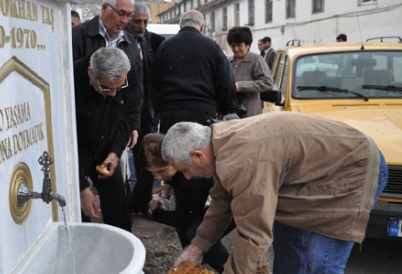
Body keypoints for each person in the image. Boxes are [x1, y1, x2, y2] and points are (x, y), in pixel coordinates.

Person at [163, 112, 388, 273]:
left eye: (185, 170)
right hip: (312, 177)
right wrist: (196, 247)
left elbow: (253, 233)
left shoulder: (245, 160)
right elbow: (222, 203)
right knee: (288, 243)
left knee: (321, 260)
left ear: (198, 155)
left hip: (354, 168)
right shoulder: (221, 144)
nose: (188, 177)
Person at [72, 0, 144, 231]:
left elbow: (134, 101)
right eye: (120, 13)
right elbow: (63, 119)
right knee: (77, 212)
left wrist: (116, 150)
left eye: (129, 15)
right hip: (79, 138)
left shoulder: (131, 44)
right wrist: (82, 186)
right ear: (104, 9)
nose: (125, 20)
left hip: (110, 136)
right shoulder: (76, 39)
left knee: (118, 207)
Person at [141, 133, 235, 273]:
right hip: (213, 198)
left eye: (161, 171)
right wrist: (171, 183)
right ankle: (194, 261)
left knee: (199, 233)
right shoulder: (181, 169)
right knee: (190, 227)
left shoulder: (190, 178)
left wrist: (155, 213)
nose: (159, 178)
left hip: (235, 203)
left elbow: (184, 218)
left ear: (173, 160)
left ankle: (227, 269)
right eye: (153, 174)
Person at [151, 10, 237, 134]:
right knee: (199, 151)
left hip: (171, 111)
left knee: (172, 151)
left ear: (181, 25)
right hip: (203, 110)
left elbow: (154, 82)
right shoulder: (212, 46)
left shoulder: (165, 46)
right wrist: (224, 108)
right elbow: (227, 83)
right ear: (202, 26)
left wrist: (161, 109)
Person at [124, 4, 163, 217]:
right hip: (124, 109)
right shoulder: (119, 41)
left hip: (147, 109)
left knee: (146, 156)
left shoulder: (152, 41)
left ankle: (140, 201)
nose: (142, 26)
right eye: (138, 21)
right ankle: (124, 200)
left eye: (145, 22)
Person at [226, 27, 273, 118]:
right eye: (233, 45)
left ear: (248, 45)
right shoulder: (228, 62)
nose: (236, 49)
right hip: (230, 116)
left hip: (250, 115)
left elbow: (268, 83)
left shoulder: (256, 60)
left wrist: (240, 86)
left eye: (239, 45)